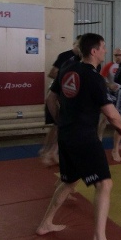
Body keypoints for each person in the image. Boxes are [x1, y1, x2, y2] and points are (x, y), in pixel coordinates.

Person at [36, 33, 121, 240]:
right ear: (94, 51)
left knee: (68, 181)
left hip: (66, 135)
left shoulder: (68, 68)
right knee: (104, 184)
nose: (105, 51)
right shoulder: (94, 78)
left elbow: (50, 99)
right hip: (84, 138)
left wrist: (61, 122)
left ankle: (45, 223)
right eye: (103, 47)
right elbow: (111, 113)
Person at [39, 35, 82, 166]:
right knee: (57, 125)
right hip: (58, 94)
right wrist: (66, 79)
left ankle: (52, 151)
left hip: (69, 97)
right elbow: (52, 73)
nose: (79, 47)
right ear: (74, 44)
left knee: (61, 127)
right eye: (78, 44)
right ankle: (46, 151)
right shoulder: (65, 56)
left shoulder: (81, 60)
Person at [97, 48, 121, 140]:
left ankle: (120, 138)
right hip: (110, 94)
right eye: (116, 55)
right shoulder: (109, 66)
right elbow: (100, 80)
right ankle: (99, 137)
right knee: (104, 117)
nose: (118, 57)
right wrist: (109, 85)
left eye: (120, 55)